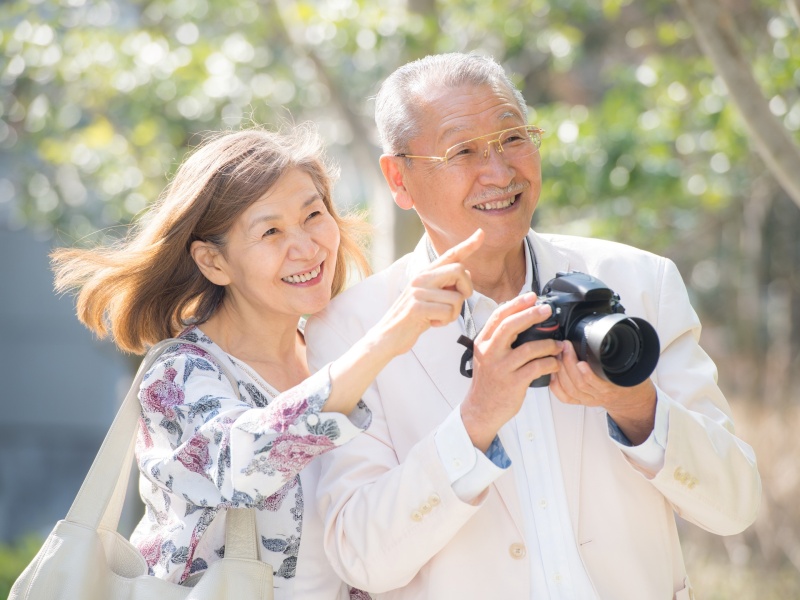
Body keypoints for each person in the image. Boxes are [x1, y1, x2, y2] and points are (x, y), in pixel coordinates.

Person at [304, 53, 762, 599]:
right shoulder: (351, 330)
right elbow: (364, 561)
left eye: (513, 139)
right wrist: (476, 420)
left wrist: (639, 409)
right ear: (399, 179)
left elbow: (735, 505)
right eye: (462, 151)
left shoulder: (640, 280)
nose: (499, 173)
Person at [50, 124, 481, 599]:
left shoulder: (331, 352)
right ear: (214, 262)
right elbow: (244, 463)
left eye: (313, 214)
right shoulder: (179, 376)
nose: (306, 247)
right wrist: (385, 339)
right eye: (271, 230)